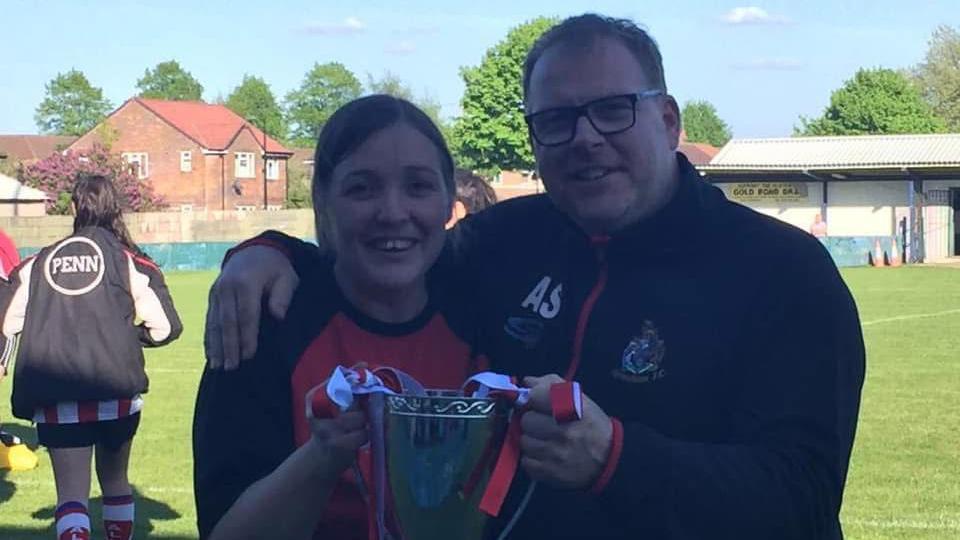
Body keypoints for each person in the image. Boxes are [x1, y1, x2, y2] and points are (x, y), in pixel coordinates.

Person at [204, 14, 866, 540]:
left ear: (667, 122)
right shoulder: (505, 242)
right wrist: (267, 251)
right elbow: (388, 255)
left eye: (612, 109)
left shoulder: (784, 273)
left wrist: (617, 458)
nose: (584, 138)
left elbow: (801, 497)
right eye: (555, 120)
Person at [193, 95, 489, 539]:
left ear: (450, 202)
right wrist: (322, 456)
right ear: (324, 202)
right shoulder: (268, 323)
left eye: (419, 186)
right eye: (361, 188)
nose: (392, 213)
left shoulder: (492, 305)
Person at [0, 175, 182, 540]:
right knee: (115, 482)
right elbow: (165, 328)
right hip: (117, 395)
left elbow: (7, 323)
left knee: (71, 496)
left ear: (73, 209)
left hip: (54, 395)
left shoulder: (38, 263)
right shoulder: (131, 262)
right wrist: (127, 338)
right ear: (116, 209)